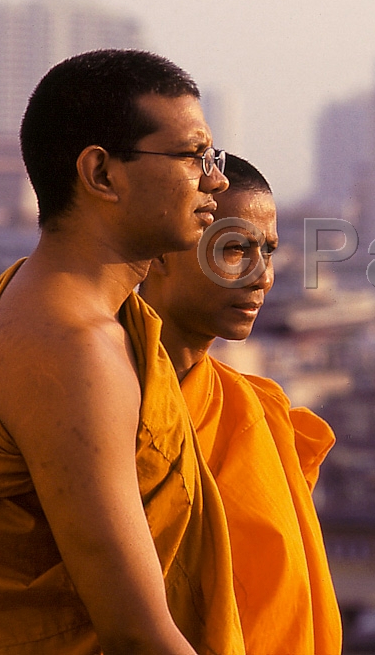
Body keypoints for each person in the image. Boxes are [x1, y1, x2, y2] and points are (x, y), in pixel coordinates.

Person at [0, 49, 246, 655]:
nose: (216, 180)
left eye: (214, 157)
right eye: (193, 156)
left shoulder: (16, 305)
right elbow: (138, 633)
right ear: (100, 173)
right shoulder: (74, 349)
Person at [140, 155, 343, 655]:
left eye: (268, 252)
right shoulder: (102, 400)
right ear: (161, 250)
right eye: (234, 249)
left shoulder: (258, 414)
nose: (262, 277)